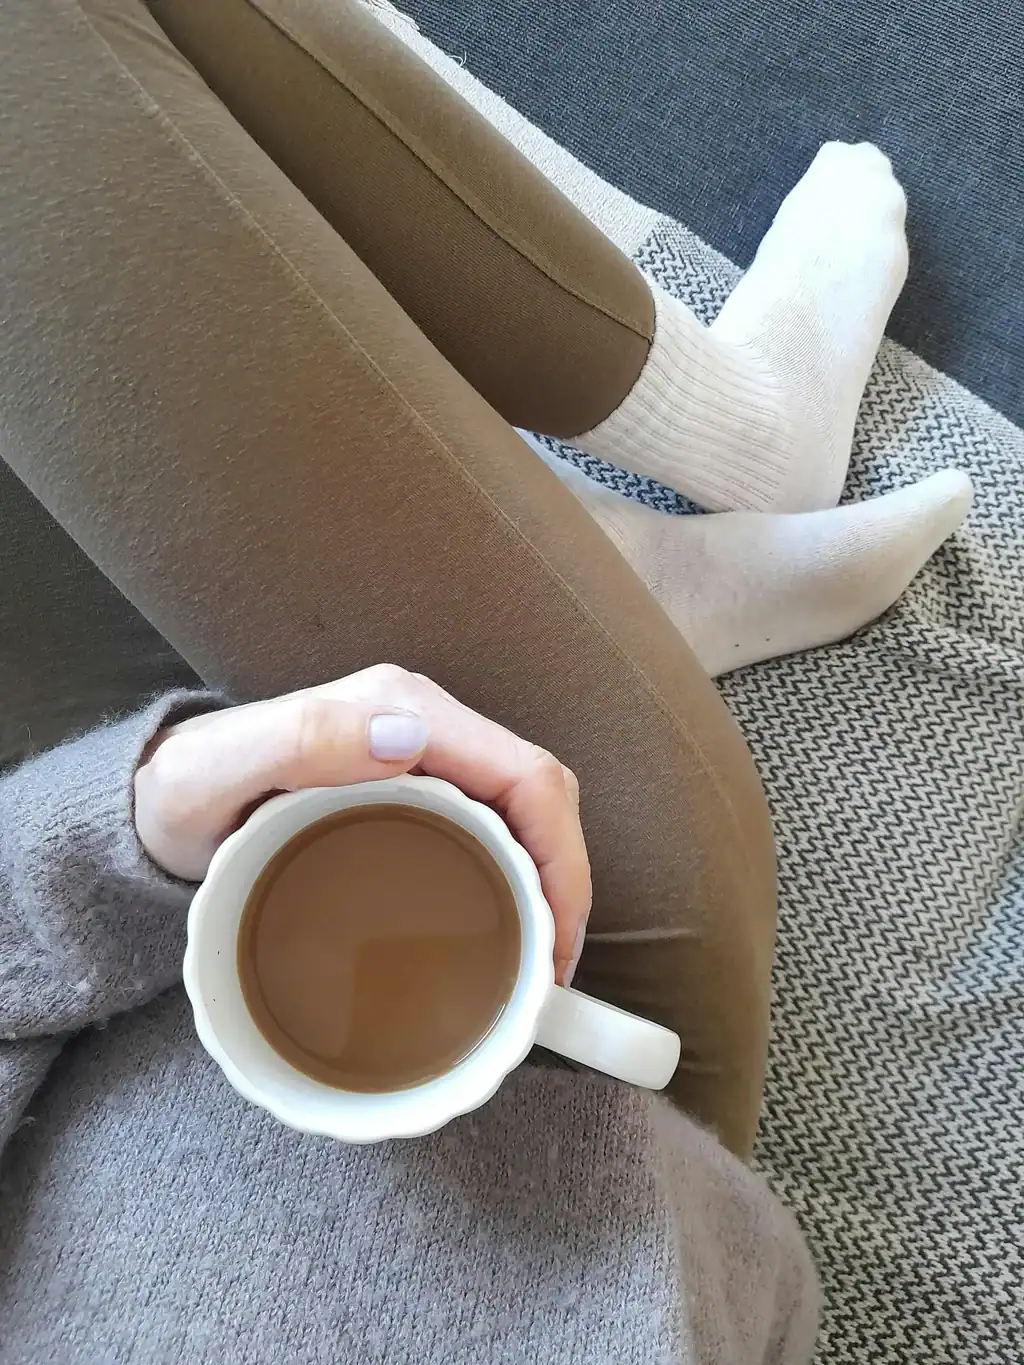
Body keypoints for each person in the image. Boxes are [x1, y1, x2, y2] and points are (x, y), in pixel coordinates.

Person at [0, 1, 970, 1360]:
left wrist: (113, 833)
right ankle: (684, 486)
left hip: (80, 947)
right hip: (545, 1101)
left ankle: (614, 544)